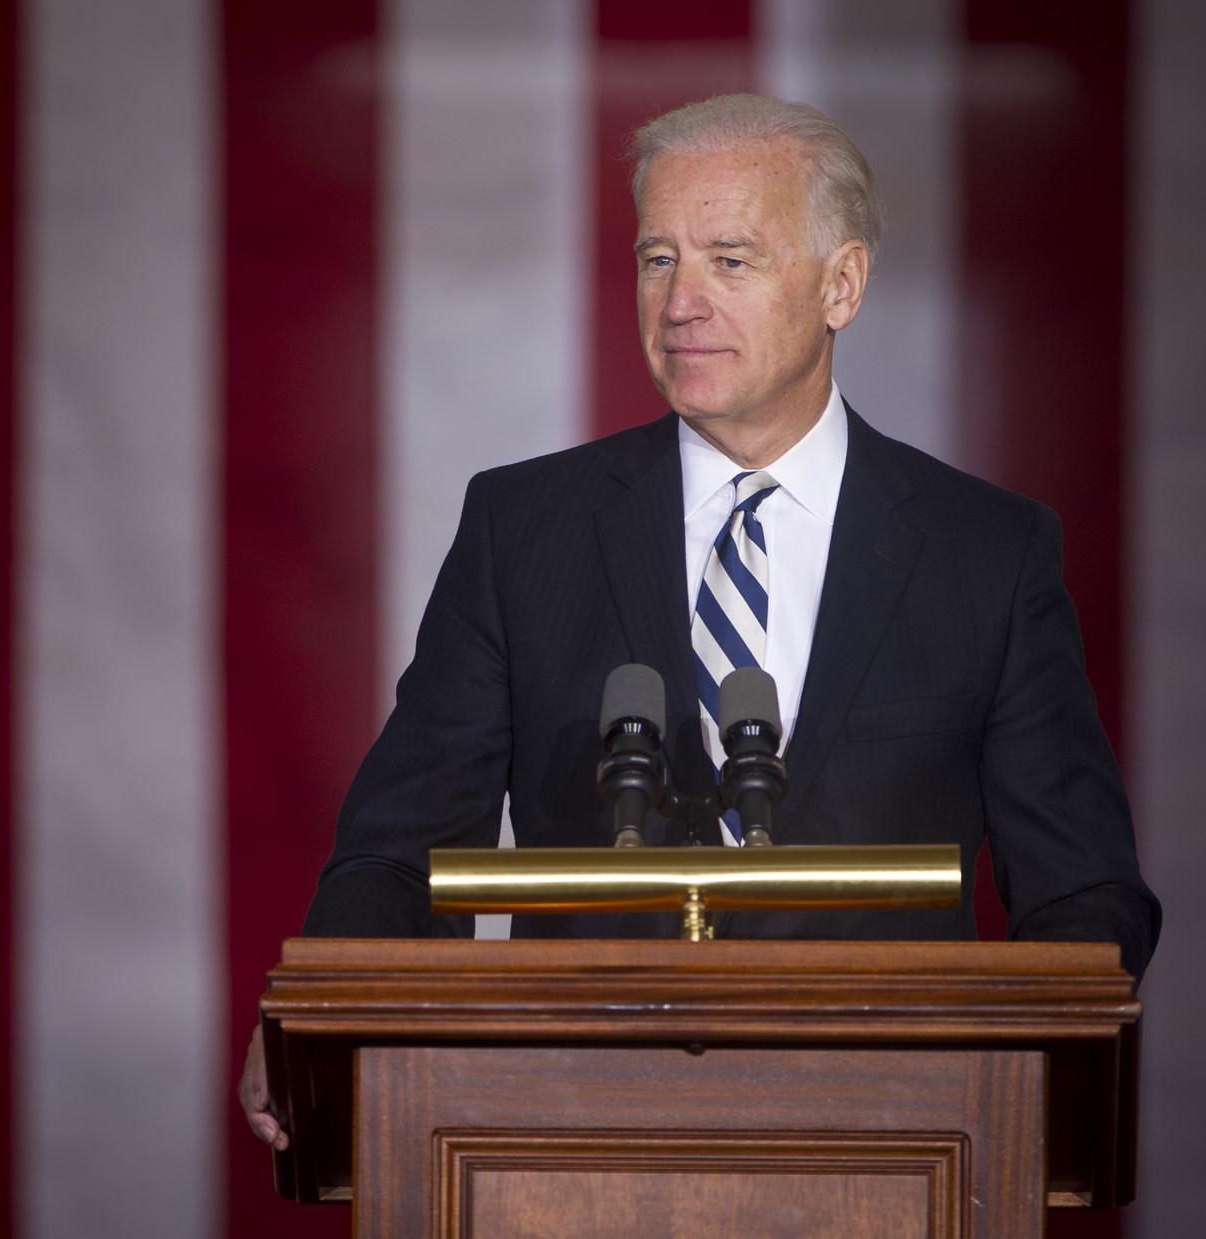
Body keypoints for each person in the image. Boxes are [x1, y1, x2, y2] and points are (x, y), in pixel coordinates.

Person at [240, 94, 1159, 1150]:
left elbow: (1084, 896)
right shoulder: (521, 530)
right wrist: (318, 1018)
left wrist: (1030, 1070)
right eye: (655, 258)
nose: (679, 302)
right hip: (564, 1134)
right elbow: (394, 856)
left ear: (840, 285)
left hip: (895, 1136)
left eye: (728, 259)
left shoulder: (985, 556)